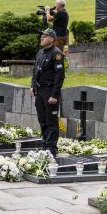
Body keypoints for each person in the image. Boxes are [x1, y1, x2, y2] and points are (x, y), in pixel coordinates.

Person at [30, 28, 64, 156]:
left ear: (51, 39)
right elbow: (35, 71)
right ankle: (45, 144)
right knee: (42, 120)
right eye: (42, 36)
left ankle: (51, 148)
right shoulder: (40, 52)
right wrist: (32, 86)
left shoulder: (56, 53)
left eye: (44, 36)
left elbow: (59, 76)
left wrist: (54, 95)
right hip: (40, 90)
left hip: (50, 91)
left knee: (51, 121)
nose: (41, 38)